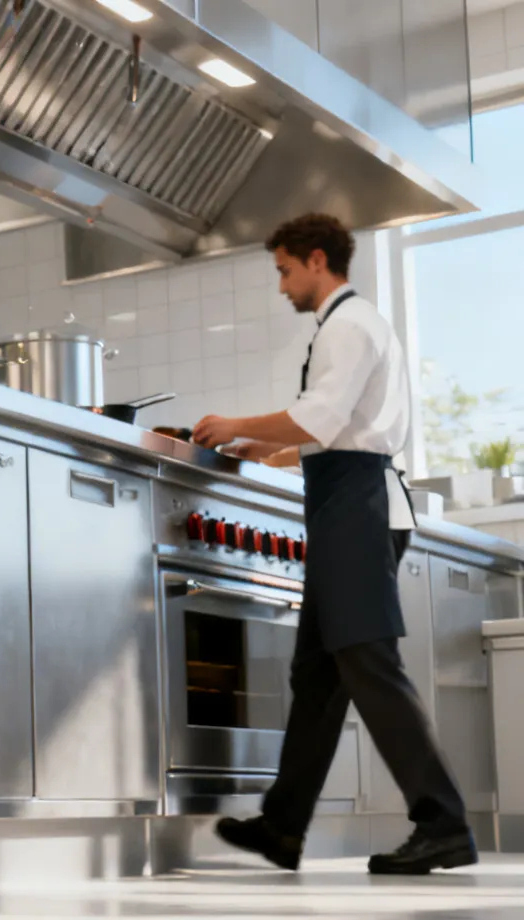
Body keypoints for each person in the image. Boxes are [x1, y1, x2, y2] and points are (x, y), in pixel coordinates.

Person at [195, 213, 476, 876]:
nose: (282, 286)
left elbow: (322, 418)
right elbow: (338, 429)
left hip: (359, 510)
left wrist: (235, 424)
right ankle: (282, 828)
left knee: (368, 664)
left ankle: (443, 824)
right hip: (345, 505)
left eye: (285, 271)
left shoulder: (348, 325)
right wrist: (267, 449)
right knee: (318, 676)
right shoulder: (350, 325)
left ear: (317, 260)